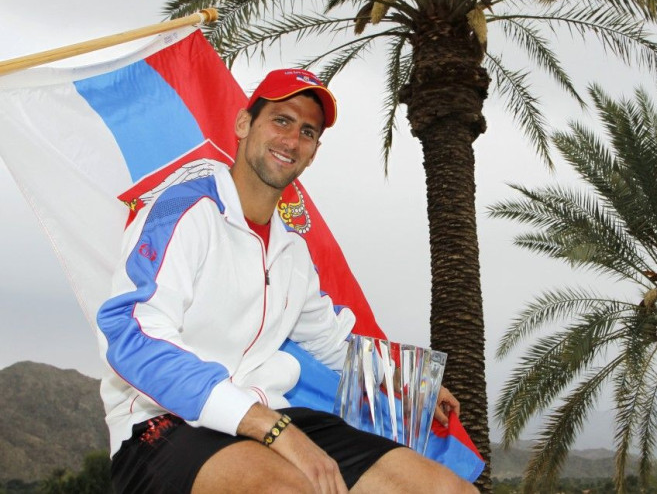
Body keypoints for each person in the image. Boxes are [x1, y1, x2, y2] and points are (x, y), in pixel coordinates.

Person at [96, 68, 478, 493]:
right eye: (281, 120)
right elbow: (130, 335)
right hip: (162, 419)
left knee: (450, 490)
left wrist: (414, 387)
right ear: (244, 124)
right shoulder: (182, 211)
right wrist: (269, 427)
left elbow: (332, 341)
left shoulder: (291, 251)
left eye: (308, 131)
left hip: (267, 412)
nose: (292, 140)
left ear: (313, 152)